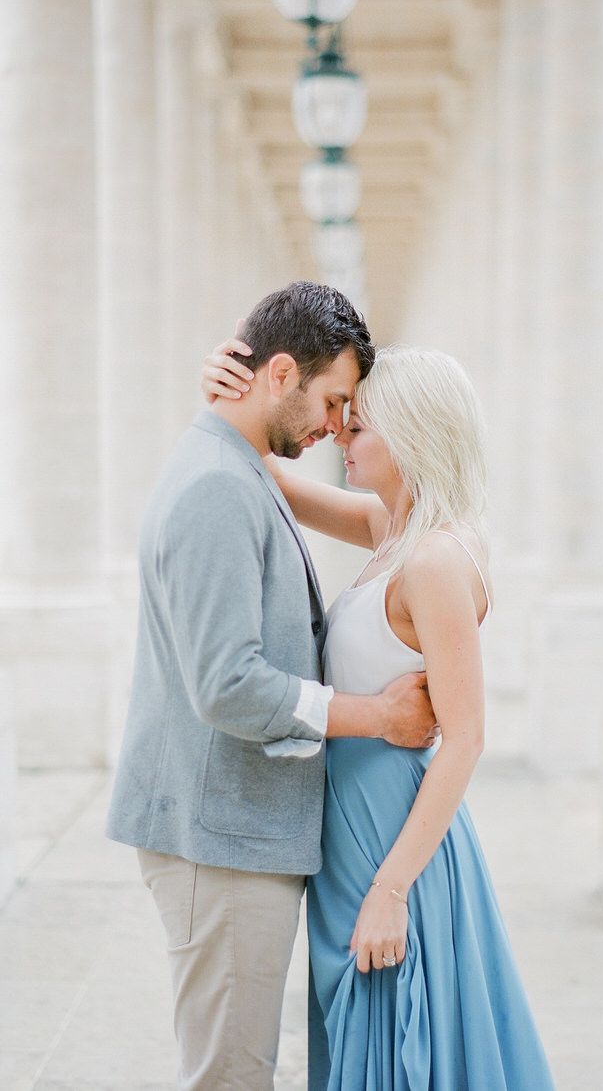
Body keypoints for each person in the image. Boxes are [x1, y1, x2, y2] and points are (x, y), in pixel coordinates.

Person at [106, 282, 439, 1091]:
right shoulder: (221, 485)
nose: (336, 426)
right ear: (281, 372)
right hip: (218, 839)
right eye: (333, 401)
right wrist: (380, 715)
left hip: (236, 831)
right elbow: (227, 685)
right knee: (231, 1076)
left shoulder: (236, 467)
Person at [202, 337, 555, 1089]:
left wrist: (391, 890)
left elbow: (465, 738)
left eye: (358, 425)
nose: (339, 436)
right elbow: (260, 470)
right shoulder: (390, 529)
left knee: (396, 1039)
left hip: (392, 837)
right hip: (354, 826)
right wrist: (230, 386)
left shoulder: (434, 560)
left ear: (414, 434)